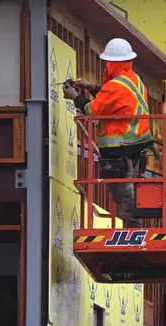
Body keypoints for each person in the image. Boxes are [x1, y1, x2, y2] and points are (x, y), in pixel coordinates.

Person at [63, 38, 153, 228]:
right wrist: (92, 88)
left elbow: (92, 111)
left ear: (113, 63)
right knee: (129, 184)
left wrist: (75, 96)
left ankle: (132, 226)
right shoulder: (134, 80)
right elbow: (113, 101)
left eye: (107, 62)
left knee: (123, 189)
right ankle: (132, 223)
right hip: (135, 144)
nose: (106, 66)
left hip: (119, 147)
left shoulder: (115, 86)